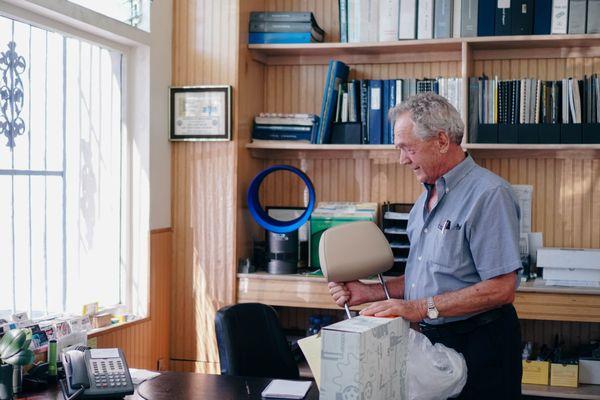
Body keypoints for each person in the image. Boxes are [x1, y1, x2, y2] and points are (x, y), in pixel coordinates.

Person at [328, 92, 523, 399]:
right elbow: (424, 278)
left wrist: (418, 309)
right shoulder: (424, 202)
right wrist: (368, 292)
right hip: (433, 343)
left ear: (442, 141)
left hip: (481, 345)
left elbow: (502, 288)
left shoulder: (489, 194)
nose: (402, 159)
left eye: (408, 149)